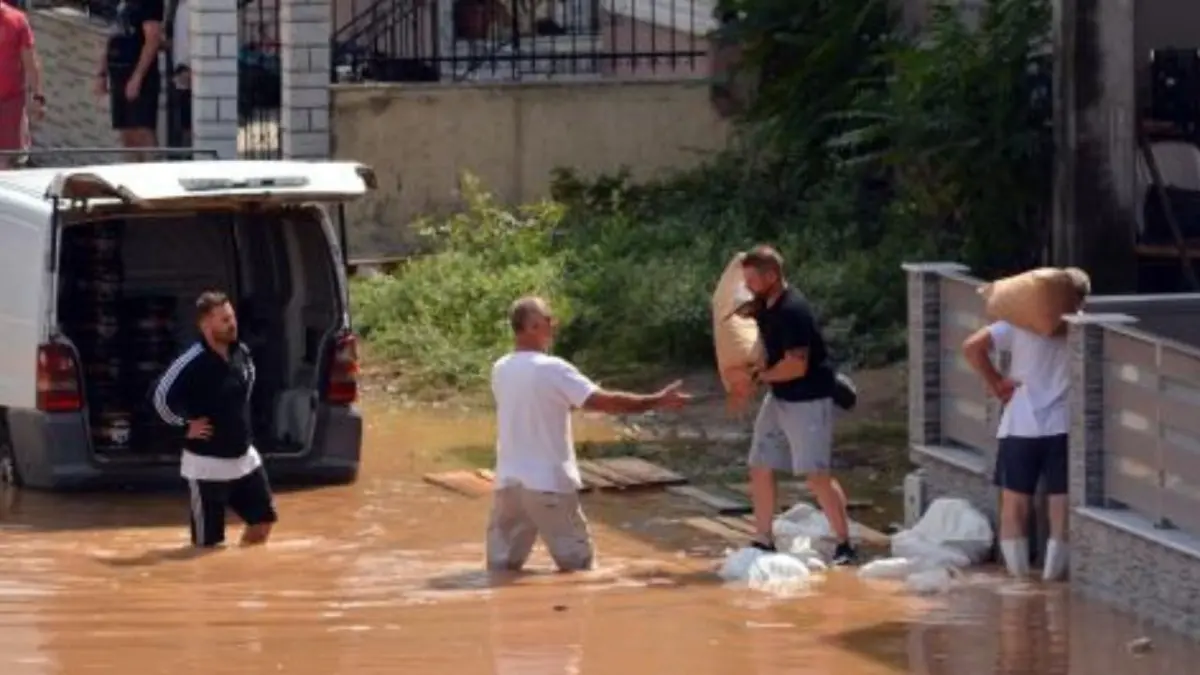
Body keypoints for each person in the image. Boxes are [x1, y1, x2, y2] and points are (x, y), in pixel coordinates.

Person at [487, 296, 691, 572]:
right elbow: (606, 402)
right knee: (579, 570)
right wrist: (657, 399)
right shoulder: (552, 369)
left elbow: (536, 406)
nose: (553, 326)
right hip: (549, 484)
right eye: (549, 320)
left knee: (501, 571)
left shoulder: (501, 368)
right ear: (533, 326)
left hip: (508, 486)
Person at [961, 268, 1090, 581]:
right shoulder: (1082, 327)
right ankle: (1050, 581)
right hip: (1062, 424)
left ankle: (1019, 583)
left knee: (1015, 505)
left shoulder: (1018, 322)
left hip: (1021, 422)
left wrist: (995, 383)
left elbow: (971, 347)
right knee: (1059, 505)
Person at [737, 245, 858, 565]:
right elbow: (766, 345)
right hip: (779, 396)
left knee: (816, 475)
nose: (748, 286)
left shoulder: (793, 311)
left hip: (808, 399)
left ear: (772, 276)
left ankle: (845, 543)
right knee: (760, 465)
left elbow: (796, 365)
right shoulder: (765, 304)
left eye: (752, 280)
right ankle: (763, 539)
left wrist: (761, 376)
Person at [153, 291, 277, 549]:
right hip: (206, 465)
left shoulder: (241, 352)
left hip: (245, 459)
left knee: (263, 522)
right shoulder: (190, 361)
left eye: (232, 317)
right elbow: (159, 398)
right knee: (207, 549)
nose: (232, 324)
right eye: (224, 320)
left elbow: (248, 388)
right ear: (205, 325)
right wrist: (184, 427)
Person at [95, 0, 164, 159]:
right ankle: (133, 177)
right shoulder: (122, 3)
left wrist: (137, 77)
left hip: (138, 75)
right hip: (118, 73)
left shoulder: (149, 4)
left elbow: (152, 39)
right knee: (127, 134)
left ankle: (155, 176)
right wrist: (102, 73)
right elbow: (111, 38)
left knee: (142, 131)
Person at [0, 0, 43, 168]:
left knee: (7, 162)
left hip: (11, 103)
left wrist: (38, 97)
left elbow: (30, 62)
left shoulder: (16, 20)